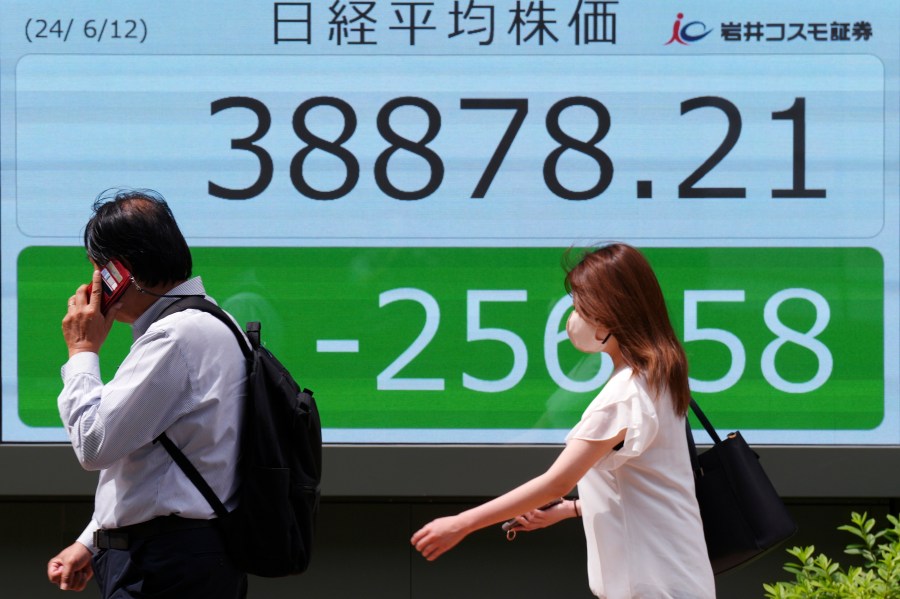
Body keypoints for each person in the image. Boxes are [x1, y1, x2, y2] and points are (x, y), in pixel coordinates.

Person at [411, 243, 716, 599]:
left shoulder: (623, 396)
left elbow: (555, 482)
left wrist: (461, 524)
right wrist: (571, 510)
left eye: (581, 304)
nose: (575, 316)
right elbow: (649, 485)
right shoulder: (660, 376)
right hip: (679, 581)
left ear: (611, 312)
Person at [46, 188, 248, 598]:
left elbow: (94, 445)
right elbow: (154, 465)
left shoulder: (176, 336)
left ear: (120, 273)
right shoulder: (212, 322)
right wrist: (92, 541)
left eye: (99, 269)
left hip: (166, 567)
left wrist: (83, 352)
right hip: (182, 559)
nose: (94, 283)